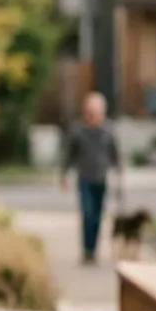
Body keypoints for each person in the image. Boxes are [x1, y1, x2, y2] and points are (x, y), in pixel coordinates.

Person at [61, 92, 122, 264]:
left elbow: (115, 154)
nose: (94, 115)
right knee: (87, 213)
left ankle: (93, 248)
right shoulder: (78, 131)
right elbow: (69, 155)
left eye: (97, 112)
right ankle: (87, 250)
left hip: (101, 178)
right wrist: (64, 175)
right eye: (91, 111)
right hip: (84, 178)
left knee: (97, 215)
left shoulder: (108, 130)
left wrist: (118, 174)